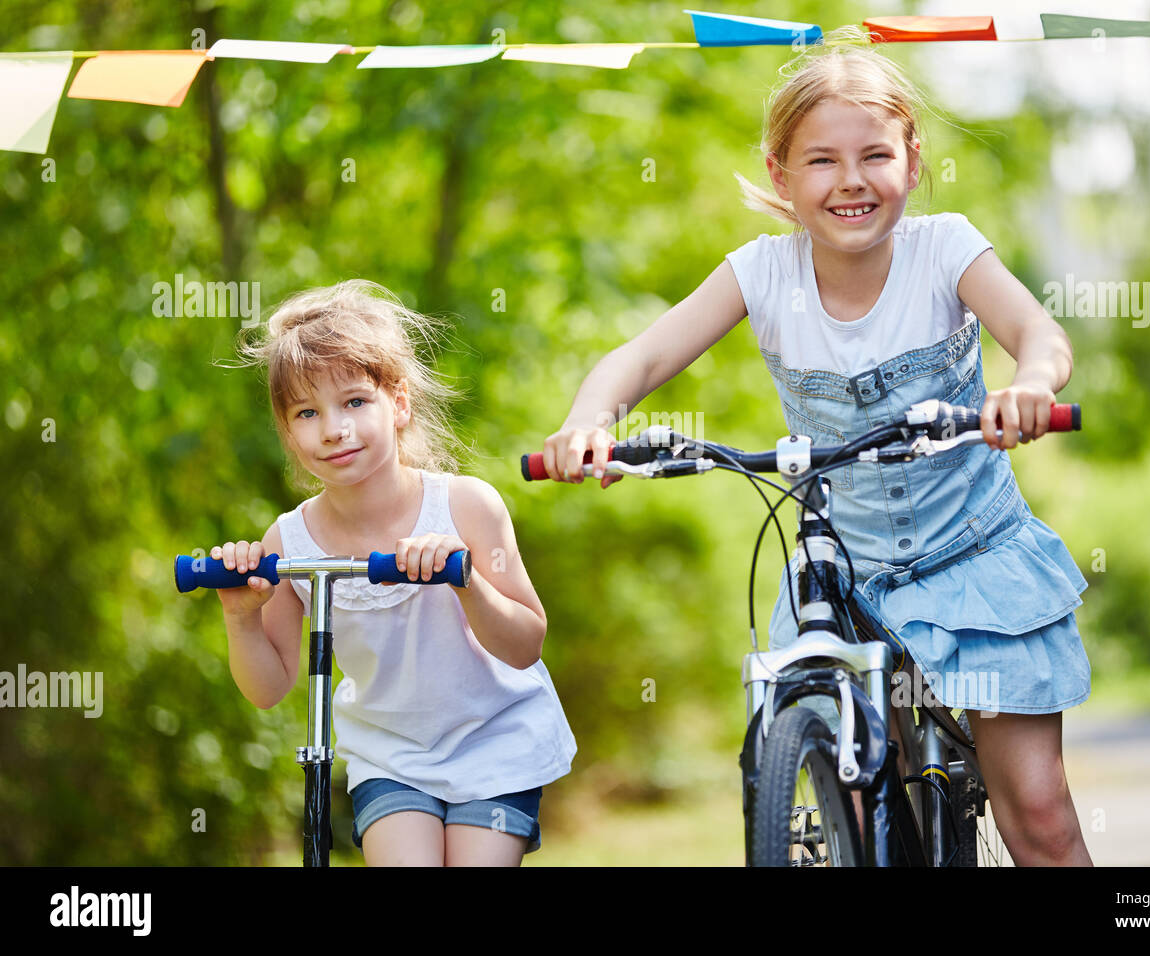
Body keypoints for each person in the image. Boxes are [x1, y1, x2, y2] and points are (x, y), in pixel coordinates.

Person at [542, 28, 1092, 866]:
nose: (851, 182)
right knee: (883, 811)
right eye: (822, 161)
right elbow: (642, 357)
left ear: (911, 159)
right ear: (780, 174)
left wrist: (1032, 385)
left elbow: (1037, 333)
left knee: (1040, 816)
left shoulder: (943, 250)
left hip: (976, 564)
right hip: (849, 581)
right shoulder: (762, 275)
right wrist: (592, 418)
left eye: (874, 155)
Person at [210, 279, 576, 866]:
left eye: (354, 401)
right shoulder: (291, 541)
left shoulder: (466, 506)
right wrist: (240, 618)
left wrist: (466, 581)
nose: (333, 428)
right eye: (307, 412)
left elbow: (526, 643)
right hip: (392, 756)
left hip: (496, 738)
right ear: (288, 430)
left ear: (399, 403)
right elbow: (270, 688)